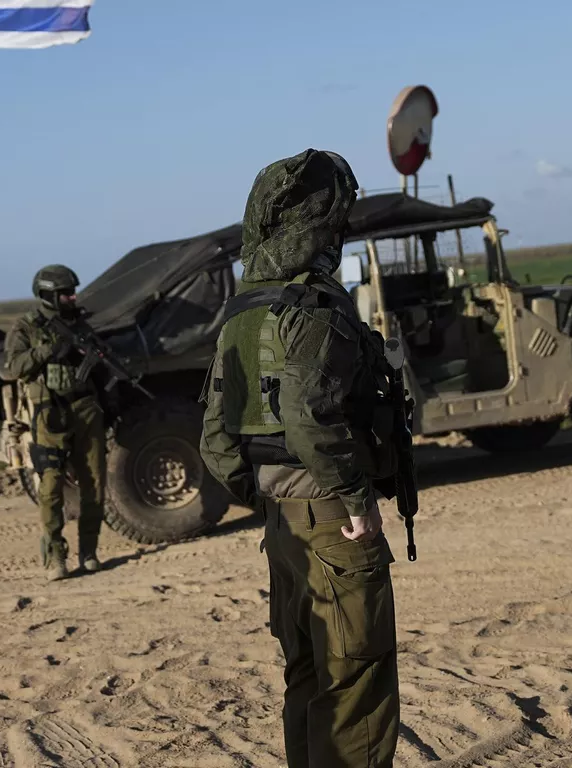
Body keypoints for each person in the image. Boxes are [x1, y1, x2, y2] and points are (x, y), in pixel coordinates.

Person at [200, 148, 401, 768]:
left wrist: (267, 493)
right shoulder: (314, 309)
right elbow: (311, 417)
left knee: (307, 680)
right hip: (332, 519)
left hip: (282, 525)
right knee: (356, 688)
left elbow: (215, 438)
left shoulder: (241, 313)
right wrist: (357, 503)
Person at [0, 264, 109, 581]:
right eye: (65, 294)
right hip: (49, 412)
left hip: (86, 409)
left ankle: (89, 552)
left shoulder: (81, 325)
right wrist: (50, 350)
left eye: (73, 292)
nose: (72, 298)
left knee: (95, 486)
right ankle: (56, 558)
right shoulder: (28, 327)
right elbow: (14, 365)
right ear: (48, 295)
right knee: (50, 488)